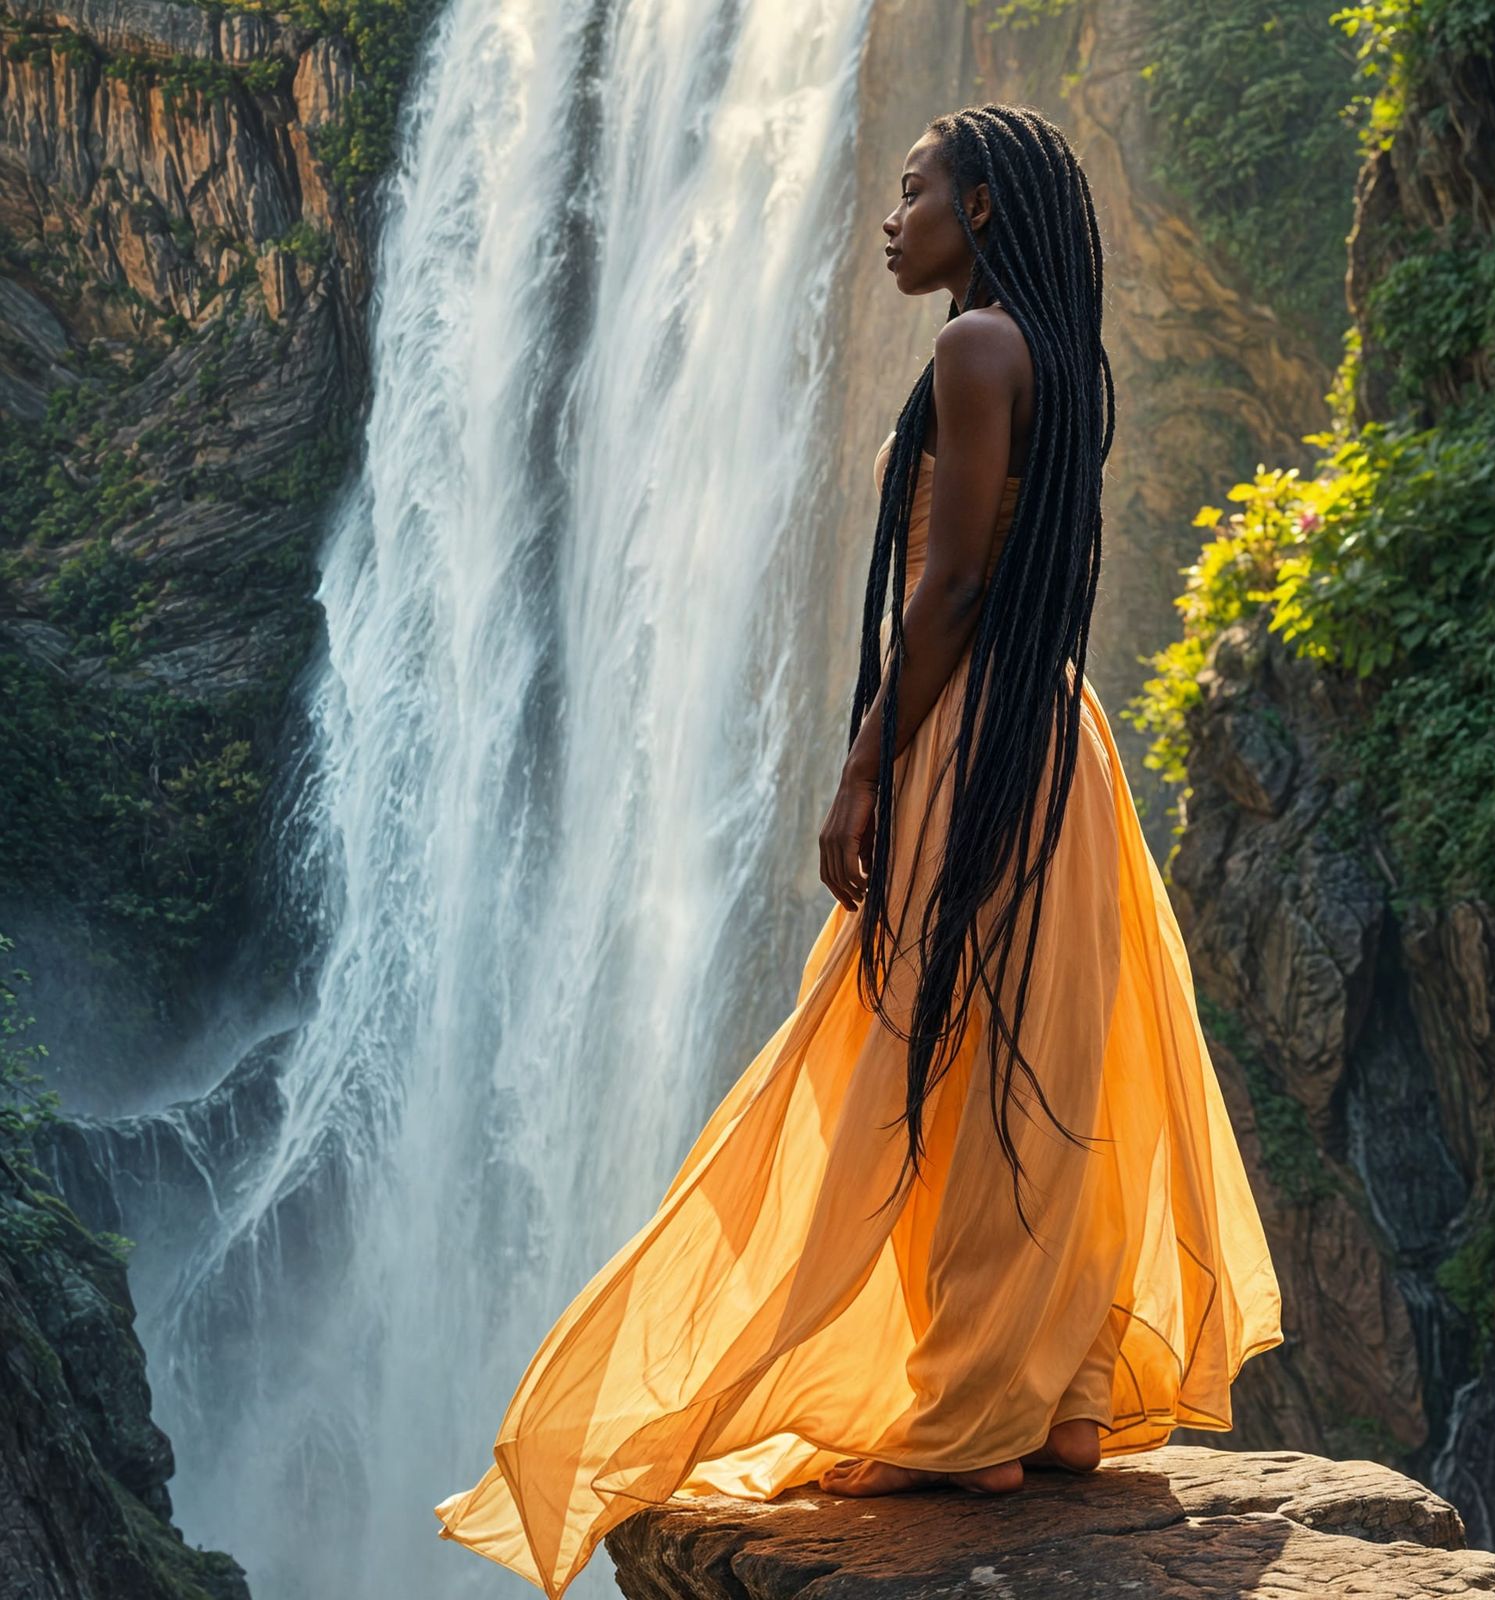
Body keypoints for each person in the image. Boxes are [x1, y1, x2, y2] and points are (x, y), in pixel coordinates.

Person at [434, 102, 1283, 1596]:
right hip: (1059, 751)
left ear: (986, 210)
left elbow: (949, 587)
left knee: (914, 1059)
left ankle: (964, 1416)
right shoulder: (1063, 357)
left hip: (967, 748)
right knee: (1034, 1064)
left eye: (914, 193)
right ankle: (1058, 1395)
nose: (890, 220)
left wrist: (861, 766)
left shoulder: (972, 353)